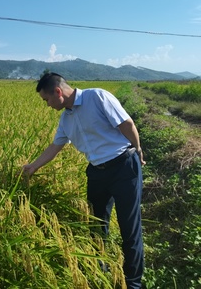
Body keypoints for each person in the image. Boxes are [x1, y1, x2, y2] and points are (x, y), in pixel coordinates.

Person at [22, 72, 145, 289]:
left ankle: (132, 283)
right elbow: (55, 147)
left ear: (58, 92)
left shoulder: (97, 97)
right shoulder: (65, 119)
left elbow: (127, 123)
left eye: (47, 100)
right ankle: (101, 270)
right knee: (96, 225)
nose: (47, 105)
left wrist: (137, 150)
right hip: (97, 172)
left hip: (123, 167)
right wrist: (33, 167)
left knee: (129, 227)